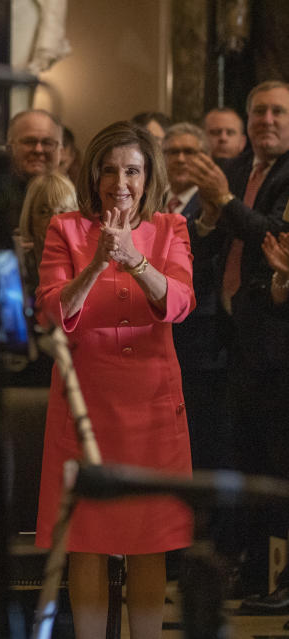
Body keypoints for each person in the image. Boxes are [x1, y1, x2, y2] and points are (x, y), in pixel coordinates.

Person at [35, 121, 195, 639]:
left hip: (152, 406)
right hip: (85, 407)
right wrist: (98, 262)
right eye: (109, 170)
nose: (120, 182)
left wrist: (135, 260)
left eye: (132, 170)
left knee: (150, 543)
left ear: (149, 178)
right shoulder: (65, 228)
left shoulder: (171, 227)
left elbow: (179, 303)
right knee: (87, 540)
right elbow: (50, 312)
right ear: (93, 174)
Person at [188, 80, 289, 597]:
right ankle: (251, 575)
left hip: (277, 343)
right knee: (244, 460)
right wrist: (209, 218)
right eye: (259, 112)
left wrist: (223, 201)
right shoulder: (234, 170)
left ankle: (281, 579)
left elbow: (273, 233)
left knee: (279, 465)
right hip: (232, 337)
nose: (267, 120)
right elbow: (205, 237)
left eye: (278, 111)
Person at [161, 123, 232, 472]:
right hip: (158, 330)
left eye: (191, 152)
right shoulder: (151, 203)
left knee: (199, 432)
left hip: (201, 335)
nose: (182, 159)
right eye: (173, 152)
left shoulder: (214, 204)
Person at [6, 109, 64, 228]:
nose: (38, 150)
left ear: (61, 151)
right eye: (29, 142)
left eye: (47, 143)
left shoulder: (78, 201)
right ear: (9, 148)